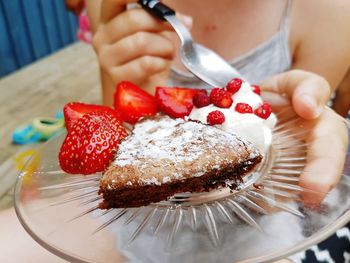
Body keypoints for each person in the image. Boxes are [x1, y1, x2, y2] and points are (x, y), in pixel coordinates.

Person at [86, 0, 350, 262]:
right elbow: (117, 164)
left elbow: (273, 199)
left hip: (254, 237)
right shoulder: (116, 5)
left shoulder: (330, 11)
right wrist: (137, 100)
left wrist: (286, 140)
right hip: (137, 227)